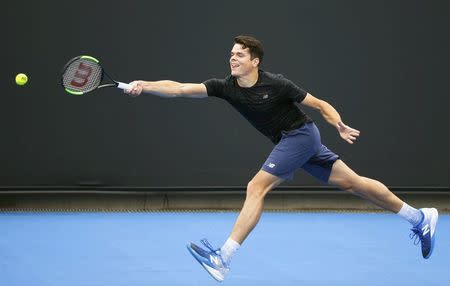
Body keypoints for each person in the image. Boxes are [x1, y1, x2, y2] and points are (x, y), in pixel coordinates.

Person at [125, 35, 438, 282]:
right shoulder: (225, 87)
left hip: (300, 136)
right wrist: (146, 85)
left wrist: (338, 123)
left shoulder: (277, 84)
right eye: (231, 53)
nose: (232, 57)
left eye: (239, 54)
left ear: (255, 61)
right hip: (294, 141)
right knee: (354, 184)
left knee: (256, 187)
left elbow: (319, 104)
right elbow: (179, 89)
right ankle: (419, 217)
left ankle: (224, 258)